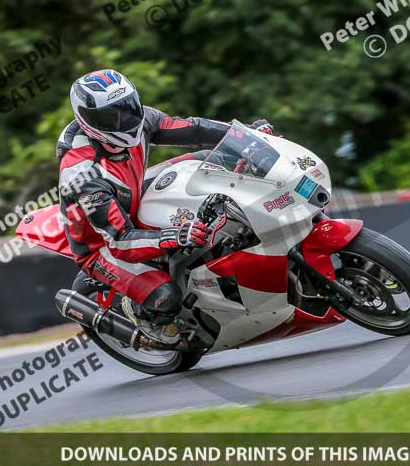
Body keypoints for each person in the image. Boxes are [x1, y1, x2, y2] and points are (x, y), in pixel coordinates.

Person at [57, 69, 274, 345]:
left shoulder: (140, 119)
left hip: (132, 195)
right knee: (166, 297)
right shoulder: (81, 175)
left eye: (128, 107)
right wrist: (173, 235)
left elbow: (192, 128)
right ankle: (143, 317)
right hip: (102, 244)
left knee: (215, 159)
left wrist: (245, 137)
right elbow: (120, 241)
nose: (125, 120)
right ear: (88, 121)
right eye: (112, 116)